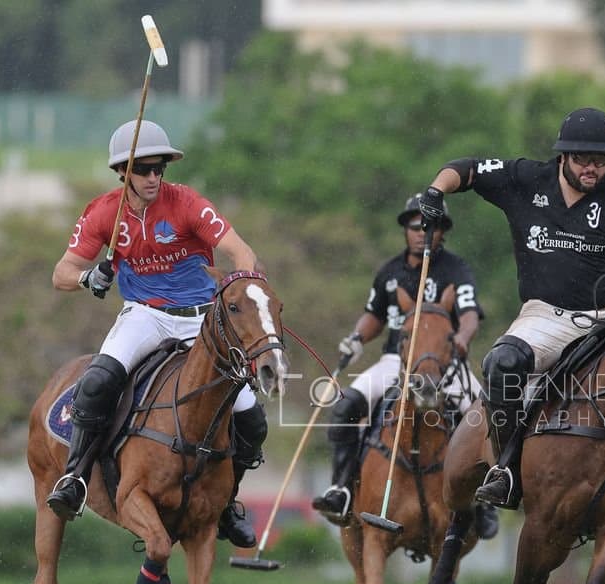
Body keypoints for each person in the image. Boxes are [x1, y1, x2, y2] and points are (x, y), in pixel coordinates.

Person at [414, 107, 605, 548]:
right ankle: (508, 471)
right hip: (548, 312)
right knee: (502, 363)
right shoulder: (525, 179)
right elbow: (466, 168)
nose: (593, 168)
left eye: (602, 160)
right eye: (585, 158)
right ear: (564, 156)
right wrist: (436, 192)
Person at [44, 119, 268, 548]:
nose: (152, 177)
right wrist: (90, 278)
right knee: (97, 382)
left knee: (251, 418)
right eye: (143, 169)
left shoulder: (186, 204)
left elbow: (242, 251)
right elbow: (61, 273)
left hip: (202, 320)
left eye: (158, 168)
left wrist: (239, 284)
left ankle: (228, 504)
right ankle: (74, 478)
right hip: (145, 315)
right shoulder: (105, 213)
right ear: (123, 171)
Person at [312, 193, 499, 540]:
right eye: (414, 225)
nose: (420, 232)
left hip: (444, 365)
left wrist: (463, 336)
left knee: (483, 416)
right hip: (396, 362)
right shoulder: (390, 272)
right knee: (346, 406)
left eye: (429, 226)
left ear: (442, 231)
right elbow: (375, 315)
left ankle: (484, 503)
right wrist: (356, 338)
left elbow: (470, 314)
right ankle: (341, 489)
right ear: (405, 229)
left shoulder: (456, 270)